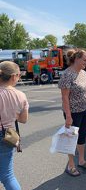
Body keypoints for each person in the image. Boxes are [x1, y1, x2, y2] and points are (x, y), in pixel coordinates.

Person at [58, 49, 86, 177]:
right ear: (76, 59)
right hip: (73, 113)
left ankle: (81, 160)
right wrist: (68, 116)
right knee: (71, 139)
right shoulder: (67, 74)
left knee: (82, 137)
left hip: (85, 110)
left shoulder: (83, 73)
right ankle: (71, 165)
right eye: (85, 60)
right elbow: (64, 98)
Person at [0, 61, 29, 190]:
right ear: (13, 76)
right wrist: (13, 115)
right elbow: (23, 119)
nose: (19, 78)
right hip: (8, 135)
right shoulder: (21, 95)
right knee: (7, 175)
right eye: (19, 75)